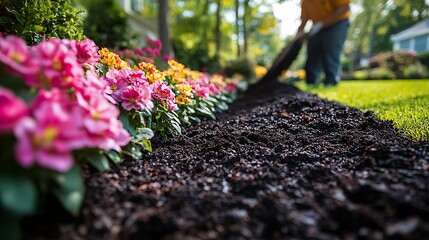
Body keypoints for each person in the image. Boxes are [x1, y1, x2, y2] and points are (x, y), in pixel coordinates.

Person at [296, 0, 351, 86]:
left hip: (338, 22)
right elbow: (304, 21)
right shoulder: (306, 2)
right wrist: (297, 36)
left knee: (330, 49)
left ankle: (331, 81)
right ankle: (311, 81)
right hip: (317, 25)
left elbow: (345, 6)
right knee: (312, 50)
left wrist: (322, 23)